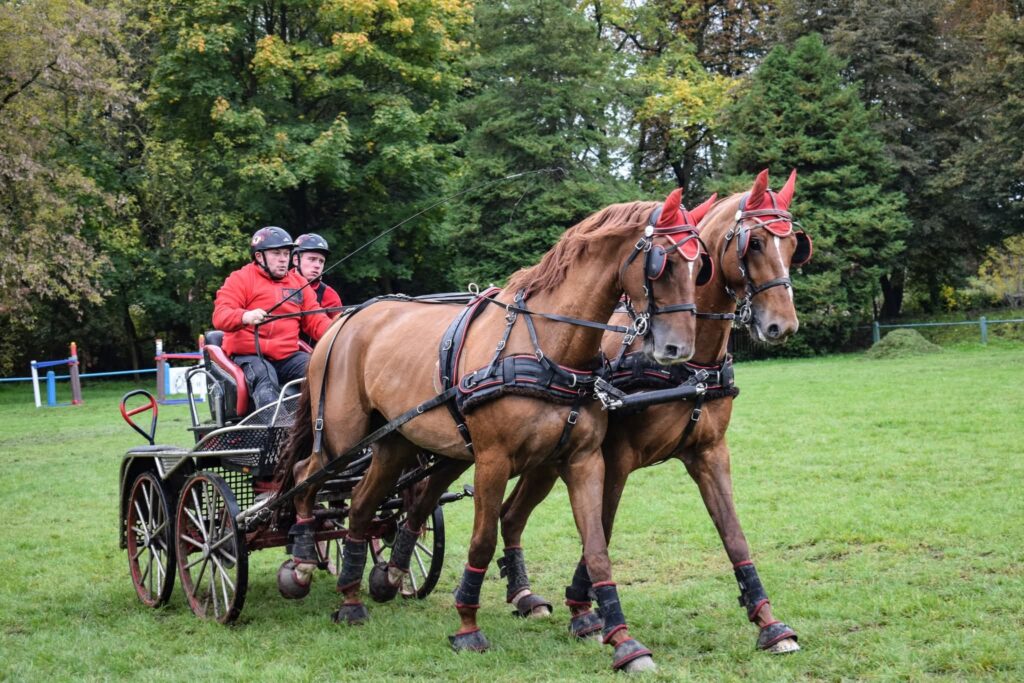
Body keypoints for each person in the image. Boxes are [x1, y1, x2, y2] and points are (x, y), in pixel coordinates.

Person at [213, 226, 334, 409]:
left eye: (286, 253)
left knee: (321, 369)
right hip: (250, 356)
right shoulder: (240, 279)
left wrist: (339, 329)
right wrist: (245, 316)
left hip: (287, 357)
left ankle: (320, 424)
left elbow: (316, 321)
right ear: (260, 257)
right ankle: (277, 430)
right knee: (265, 376)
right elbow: (220, 316)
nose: (283, 259)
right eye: (276, 253)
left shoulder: (298, 284)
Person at [291, 233, 343, 315]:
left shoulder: (329, 295)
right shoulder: (277, 283)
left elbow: (338, 326)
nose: (317, 265)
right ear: (296, 260)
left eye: (321, 261)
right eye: (312, 259)